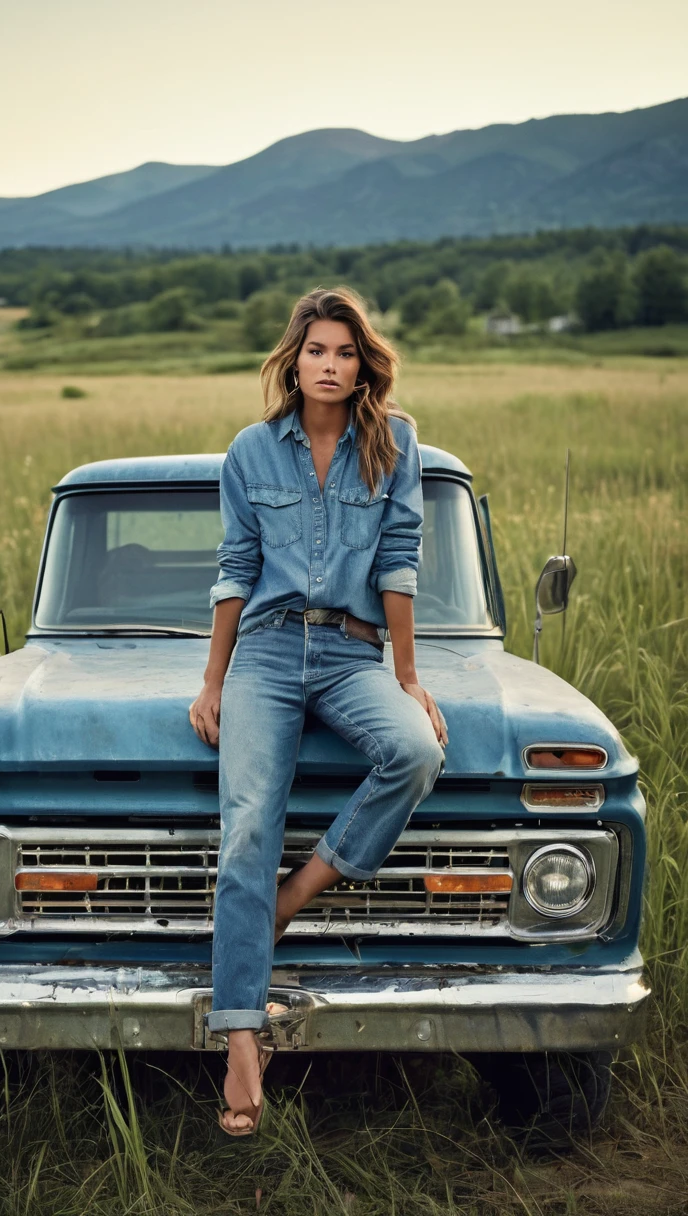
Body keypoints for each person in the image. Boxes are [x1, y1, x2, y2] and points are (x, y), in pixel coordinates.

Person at [189, 287, 448, 1136]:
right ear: (292, 359)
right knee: (248, 826)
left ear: (361, 362)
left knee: (413, 749)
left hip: (348, 651)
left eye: (344, 352)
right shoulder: (251, 452)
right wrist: (214, 679)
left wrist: (406, 675)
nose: (329, 366)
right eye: (316, 351)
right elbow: (234, 570)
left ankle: (296, 893)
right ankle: (239, 1038)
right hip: (264, 650)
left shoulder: (394, 443)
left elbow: (401, 557)